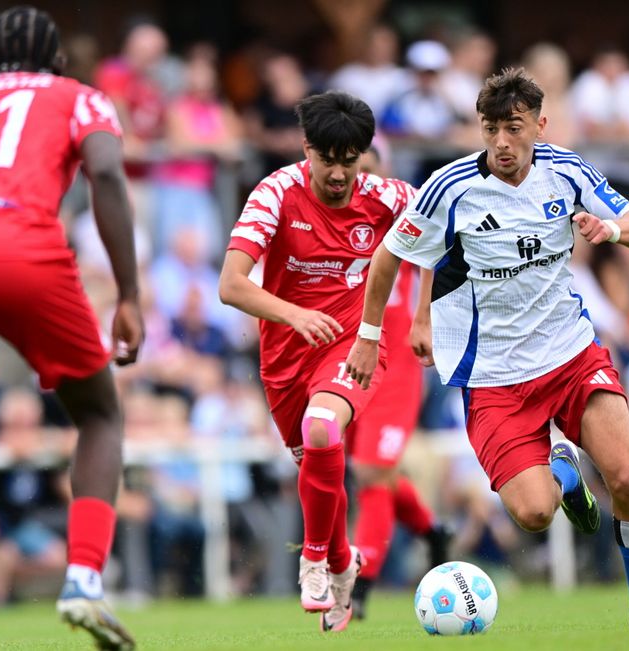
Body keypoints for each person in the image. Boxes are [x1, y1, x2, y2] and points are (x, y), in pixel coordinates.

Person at [346, 67, 629, 628]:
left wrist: (613, 232)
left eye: (514, 127)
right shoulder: (449, 188)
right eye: (490, 128)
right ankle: (564, 474)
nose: (502, 142)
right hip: (493, 376)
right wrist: (373, 332)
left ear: (539, 125)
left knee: (627, 478)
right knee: (532, 513)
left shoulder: (567, 171)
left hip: (571, 354)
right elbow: (392, 257)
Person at [0, 7, 142, 650]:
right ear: (55, 60)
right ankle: (82, 582)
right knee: (100, 414)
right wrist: (128, 293)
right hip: (23, 251)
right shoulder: (76, 96)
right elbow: (105, 170)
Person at [217, 91, 414, 632]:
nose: (338, 174)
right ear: (307, 148)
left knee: (324, 428)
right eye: (328, 160)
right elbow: (231, 286)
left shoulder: (389, 197)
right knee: (314, 462)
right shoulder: (275, 192)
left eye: (349, 161)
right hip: (285, 357)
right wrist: (294, 316)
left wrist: (420, 319)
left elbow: (443, 238)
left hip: (351, 344)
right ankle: (342, 561)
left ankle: (312, 559)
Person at [346, 145, 448, 619]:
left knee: (371, 473)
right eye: (352, 169)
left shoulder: (401, 212)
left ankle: (360, 583)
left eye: (368, 169)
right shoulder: (332, 218)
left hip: (395, 360)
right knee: (371, 473)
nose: (358, 178)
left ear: (383, 171)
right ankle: (432, 531)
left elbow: (434, 252)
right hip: (345, 358)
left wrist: (423, 316)